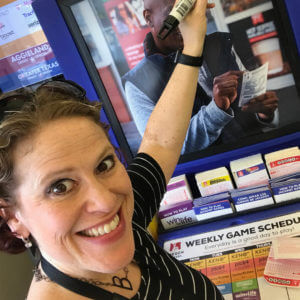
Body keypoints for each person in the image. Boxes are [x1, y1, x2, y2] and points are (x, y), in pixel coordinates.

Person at [0, 1, 224, 299]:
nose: (105, 201)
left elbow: (159, 142)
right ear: (13, 216)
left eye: (104, 165)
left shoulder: (123, 222)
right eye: (60, 187)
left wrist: (193, 40)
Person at [122, 0, 279, 154]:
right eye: (175, 12)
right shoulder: (137, 83)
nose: (185, 21)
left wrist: (265, 114)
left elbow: (262, 117)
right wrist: (217, 109)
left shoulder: (220, 46)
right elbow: (165, 150)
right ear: (149, 18)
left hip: (256, 158)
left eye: (190, 10)